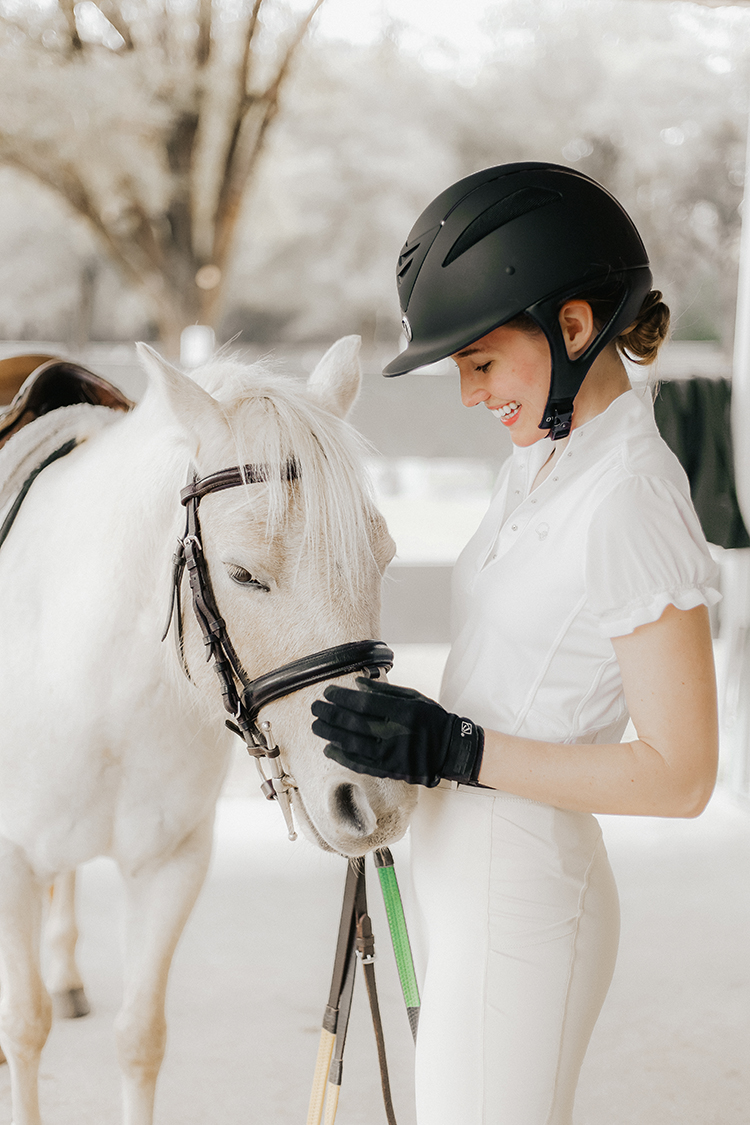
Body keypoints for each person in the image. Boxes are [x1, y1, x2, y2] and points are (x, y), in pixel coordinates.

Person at [311, 162, 720, 1125]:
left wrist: (454, 747)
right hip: (469, 876)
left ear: (574, 328)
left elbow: (682, 774)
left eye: (481, 360)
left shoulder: (628, 494)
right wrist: (398, 728)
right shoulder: (543, 458)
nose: (467, 394)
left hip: (524, 895)